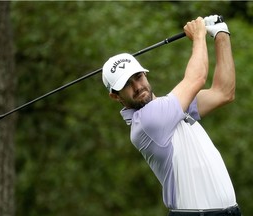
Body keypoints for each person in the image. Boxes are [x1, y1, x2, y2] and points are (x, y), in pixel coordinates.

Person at [102, 15, 242, 216]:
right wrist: (199, 34)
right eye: (126, 84)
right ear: (115, 96)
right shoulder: (148, 121)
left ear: (145, 74)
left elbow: (224, 92)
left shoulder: (171, 107)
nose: (137, 86)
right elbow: (197, 77)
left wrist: (221, 33)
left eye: (138, 77)